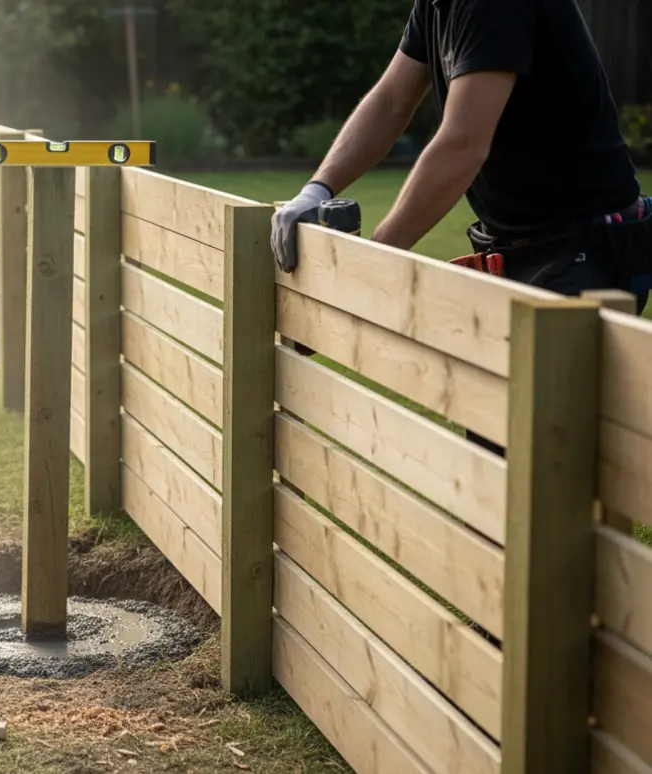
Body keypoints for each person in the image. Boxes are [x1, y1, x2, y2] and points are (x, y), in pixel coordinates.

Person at [270, 0, 651, 454]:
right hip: (525, 251)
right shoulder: (435, 5)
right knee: (496, 460)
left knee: (535, 473)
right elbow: (391, 99)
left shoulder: (491, 7)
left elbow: (463, 144)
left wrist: (371, 262)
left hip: (582, 251)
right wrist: (319, 188)